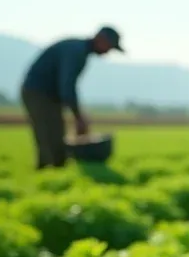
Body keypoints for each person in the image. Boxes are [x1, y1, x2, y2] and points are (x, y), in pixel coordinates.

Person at [19, 26, 123, 169]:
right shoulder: (76, 52)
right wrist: (78, 117)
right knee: (51, 138)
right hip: (38, 93)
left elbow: (66, 88)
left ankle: (51, 170)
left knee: (53, 136)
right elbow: (67, 86)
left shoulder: (79, 50)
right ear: (101, 40)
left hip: (48, 95)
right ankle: (50, 172)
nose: (108, 52)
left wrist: (77, 116)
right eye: (109, 47)